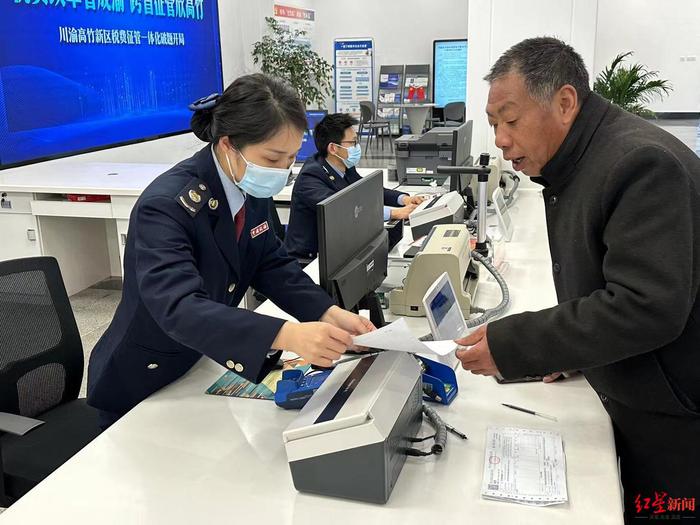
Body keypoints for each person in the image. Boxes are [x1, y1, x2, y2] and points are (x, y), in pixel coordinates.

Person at [455, 37, 700, 522]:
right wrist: (575, 353)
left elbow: (644, 306)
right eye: (493, 125)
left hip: (674, 426)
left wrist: (513, 344)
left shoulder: (639, 164)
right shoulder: (583, 162)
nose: (500, 140)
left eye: (510, 120)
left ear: (565, 103)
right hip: (639, 394)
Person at [87, 74, 374, 428]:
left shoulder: (247, 186)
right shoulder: (166, 206)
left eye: (289, 159)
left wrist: (327, 312)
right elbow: (178, 307)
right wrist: (284, 334)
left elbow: (270, 263)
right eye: (272, 159)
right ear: (227, 144)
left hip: (201, 358)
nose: (282, 172)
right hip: (143, 378)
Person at [284, 113, 424, 260]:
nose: (357, 147)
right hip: (309, 259)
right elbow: (343, 209)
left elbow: (367, 190)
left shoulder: (344, 166)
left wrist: (404, 200)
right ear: (333, 148)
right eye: (353, 143)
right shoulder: (311, 176)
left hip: (340, 247)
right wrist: (396, 213)